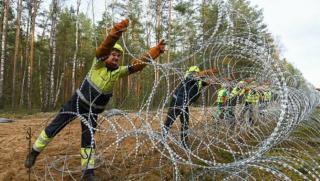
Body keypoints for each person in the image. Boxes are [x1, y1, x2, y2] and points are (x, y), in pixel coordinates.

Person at [24, 19, 166, 181]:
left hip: (92, 112)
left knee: (88, 141)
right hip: (76, 104)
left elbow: (137, 65)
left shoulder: (118, 72)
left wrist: (156, 51)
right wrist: (116, 32)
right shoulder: (97, 64)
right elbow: (103, 48)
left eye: (118, 56)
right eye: (113, 55)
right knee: (53, 128)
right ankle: (34, 153)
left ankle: (88, 173)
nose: (116, 58)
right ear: (107, 56)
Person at [162, 66, 218, 149]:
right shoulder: (189, 77)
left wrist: (223, 80)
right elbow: (197, 76)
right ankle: (163, 140)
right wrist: (209, 71)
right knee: (170, 121)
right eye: (195, 72)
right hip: (178, 101)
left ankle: (184, 142)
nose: (196, 74)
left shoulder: (198, 81)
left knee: (185, 123)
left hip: (184, 103)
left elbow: (208, 82)